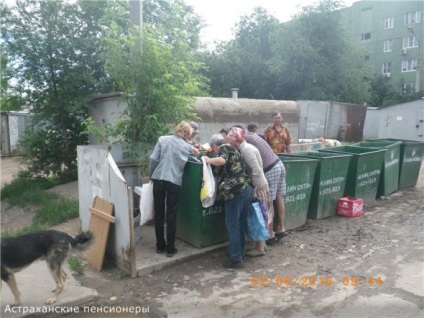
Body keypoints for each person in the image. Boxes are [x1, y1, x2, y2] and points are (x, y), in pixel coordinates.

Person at [149, 121, 200, 257]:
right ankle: (170, 249)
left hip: (158, 179)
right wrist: (195, 151)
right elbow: (197, 160)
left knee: (159, 213)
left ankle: (160, 246)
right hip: (174, 182)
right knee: (171, 215)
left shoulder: (162, 139)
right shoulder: (187, 146)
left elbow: (154, 160)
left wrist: (151, 175)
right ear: (187, 134)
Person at [202, 134, 253, 268]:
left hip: (235, 192)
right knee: (241, 223)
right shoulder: (235, 151)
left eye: (213, 150)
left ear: (214, 146)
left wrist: (207, 159)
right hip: (246, 189)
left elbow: (221, 161)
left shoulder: (225, 147)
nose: (214, 152)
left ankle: (235, 256)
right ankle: (240, 253)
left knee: (233, 225)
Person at [226, 127, 269, 256]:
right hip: (256, 184)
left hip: (258, 185)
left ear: (235, 138)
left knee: (258, 215)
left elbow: (256, 170)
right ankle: (262, 245)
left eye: (229, 135)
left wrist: (255, 187)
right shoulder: (243, 148)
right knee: (258, 214)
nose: (227, 138)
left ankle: (260, 248)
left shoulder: (246, 150)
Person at [245, 128, 288, 244]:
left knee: (268, 202)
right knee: (279, 198)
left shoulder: (244, 141)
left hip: (270, 169)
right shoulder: (253, 137)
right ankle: (280, 228)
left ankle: (270, 234)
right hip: (279, 164)